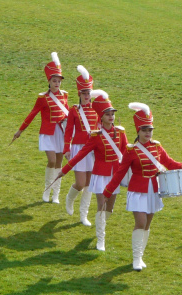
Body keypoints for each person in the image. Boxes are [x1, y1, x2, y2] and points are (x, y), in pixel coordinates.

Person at [103, 102, 182, 271]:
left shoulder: (157, 146)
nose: (147, 133)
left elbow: (169, 162)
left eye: (149, 130)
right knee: (140, 222)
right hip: (137, 191)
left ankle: (141, 256)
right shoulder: (131, 150)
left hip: (153, 190)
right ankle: (136, 258)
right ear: (138, 131)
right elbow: (120, 173)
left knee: (147, 225)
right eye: (144, 130)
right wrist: (107, 191)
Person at [53, 90, 128, 251]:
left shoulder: (121, 133)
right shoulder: (96, 136)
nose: (111, 117)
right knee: (101, 205)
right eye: (108, 114)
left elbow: (127, 154)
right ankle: (101, 239)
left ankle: (100, 224)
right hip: (100, 175)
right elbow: (80, 154)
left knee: (109, 209)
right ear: (101, 116)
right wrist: (64, 170)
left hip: (114, 175)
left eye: (112, 114)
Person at [12, 52, 69, 204]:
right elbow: (32, 114)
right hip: (48, 133)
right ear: (49, 82)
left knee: (59, 164)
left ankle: (56, 194)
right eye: (54, 81)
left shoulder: (65, 95)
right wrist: (20, 131)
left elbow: (68, 114)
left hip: (61, 133)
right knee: (51, 161)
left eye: (59, 81)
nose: (57, 83)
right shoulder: (42, 97)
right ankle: (46, 189)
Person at [63, 65, 97, 226]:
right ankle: (69, 200)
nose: (86, 96)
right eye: (84, 93)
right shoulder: (74, 110)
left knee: (90, 183)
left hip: (93, 150)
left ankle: (84, 215)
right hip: (78, 148)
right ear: (79, 94)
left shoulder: (97, 110)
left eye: (88, 93)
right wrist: (66, 148)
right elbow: (68, 131)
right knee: (80, 183)